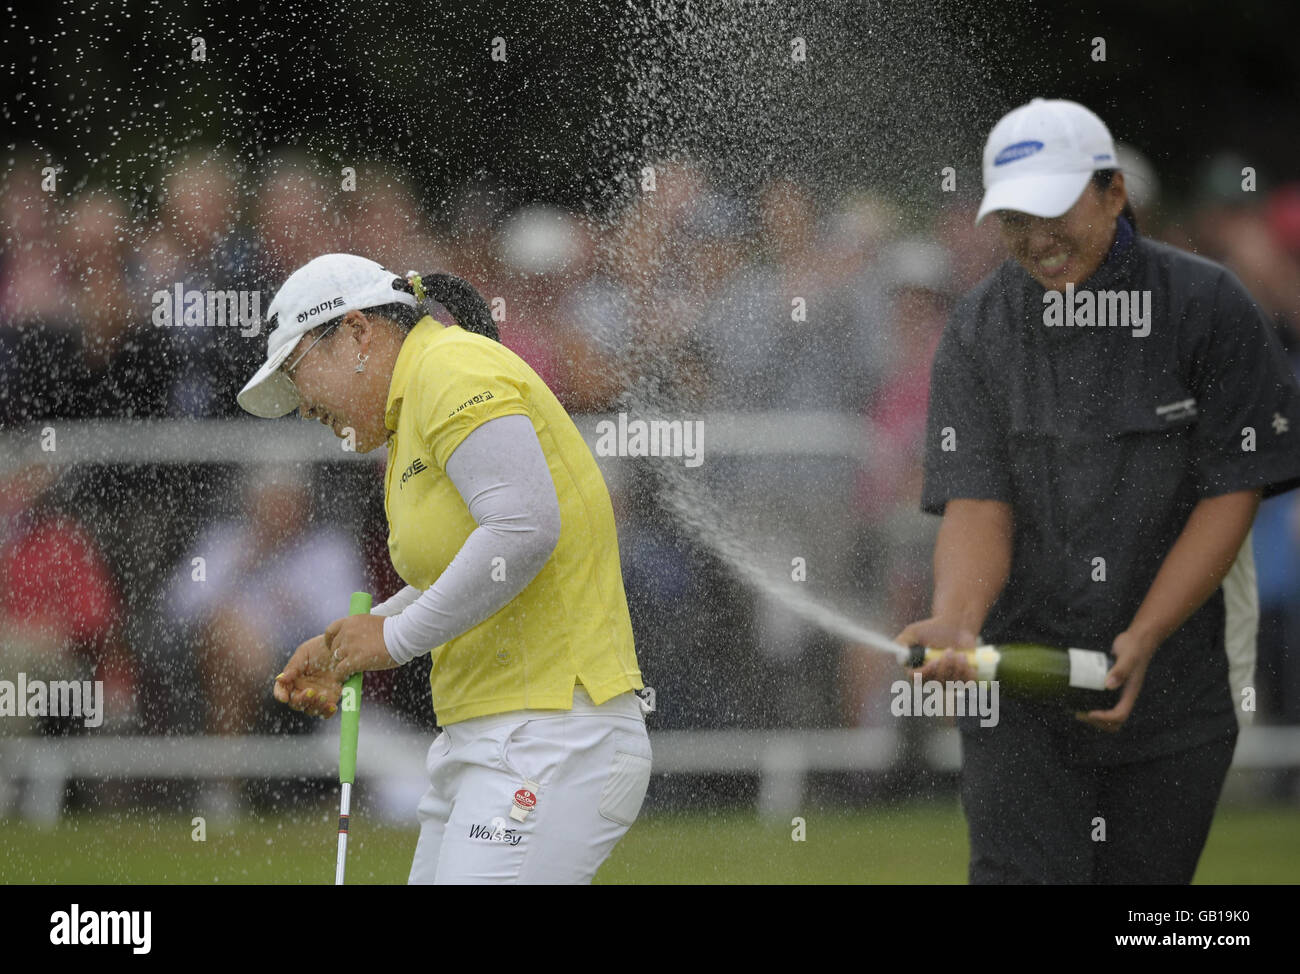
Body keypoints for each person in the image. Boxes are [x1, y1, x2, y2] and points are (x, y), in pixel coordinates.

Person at [895, 98, 1300, 884]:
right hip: (1017, 688)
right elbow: (978, 503)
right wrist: (956, 618)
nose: (1037, 238)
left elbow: (1233, 491)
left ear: (1114, 194)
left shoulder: (1208, 308)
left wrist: (1146, 632)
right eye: (1014, 216)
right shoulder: (978, 329)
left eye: (1053, 210)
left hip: (1175, 690)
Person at [237, 254, 652, 884]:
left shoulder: (449, 367)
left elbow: (524, 529)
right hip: (495, 740)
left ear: (356, 333)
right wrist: (352, 642)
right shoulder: (413, 407)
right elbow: (465, 571)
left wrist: (393, 639)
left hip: (551, 735)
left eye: (298, 375)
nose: (303, 407)